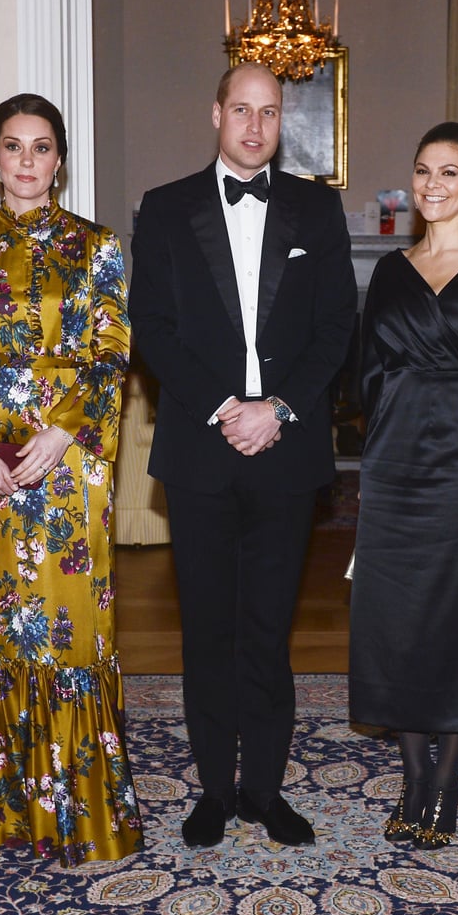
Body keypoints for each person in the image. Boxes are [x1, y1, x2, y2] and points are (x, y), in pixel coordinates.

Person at [128, 62, 356, 849]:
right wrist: (228, 407)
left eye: (268, 112)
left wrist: (278, 409)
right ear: (214, 112)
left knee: (267, 629)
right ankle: (213, 794)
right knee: (207, 631)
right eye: (241, 110)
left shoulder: (314, 208)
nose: (254, 126)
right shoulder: (164, 210)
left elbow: (336, 328)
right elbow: (151, 327)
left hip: (286, 454)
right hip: (199, 448)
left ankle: (264, 789)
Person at [0, 93, 143, 866]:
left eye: (42, 147)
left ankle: (82, 810)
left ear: (60, 160)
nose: (27, 160)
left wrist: (65, 432)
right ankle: (5, 810)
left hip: (71, 464)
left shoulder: (99, 247)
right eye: (14, 146)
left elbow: (111, 353)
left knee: (72, 630)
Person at [349, 122, 458, 848]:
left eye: (449, 172)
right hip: (391, 463)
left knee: (455, 618)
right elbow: (367, 374)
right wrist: (368, 467)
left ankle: (447, 779)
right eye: (422, 171)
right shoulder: (390, 269)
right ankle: (413, 775)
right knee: (392, 624)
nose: (432, 185)